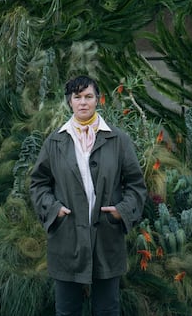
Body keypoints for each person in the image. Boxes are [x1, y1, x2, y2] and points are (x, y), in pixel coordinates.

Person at [30, 74, 147, 316]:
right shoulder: (55, 141)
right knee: (67, 310)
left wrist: (121, 211)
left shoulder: (118, 140)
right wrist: (54, 210)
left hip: (106, 236)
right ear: (70, 102)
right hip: (66, 237)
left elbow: (136, 185)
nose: (83, 102)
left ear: (98, 100)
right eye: (77, 97)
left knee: (107, 310)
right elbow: (39, 183)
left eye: (88, 96)